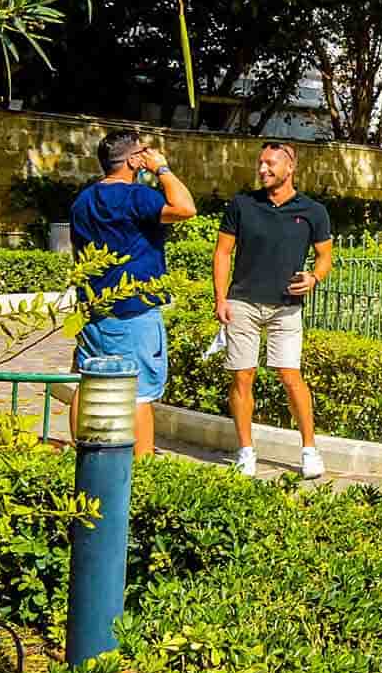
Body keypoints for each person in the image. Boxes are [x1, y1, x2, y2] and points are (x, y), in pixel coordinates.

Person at [70, 129, 199, 458]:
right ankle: (142, 468)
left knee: (89, 381)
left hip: (94, 308)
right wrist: (162, 169)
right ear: (132, 160)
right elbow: (185, 208)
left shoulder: (83, 201)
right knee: (139, 392)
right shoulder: (137, 197)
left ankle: (81, 454)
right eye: (143, 152)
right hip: (135, 310)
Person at [214, 142, 333, 478]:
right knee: (242, 376)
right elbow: (222, 253)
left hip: (287, 308)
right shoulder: (242, 204)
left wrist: (313, 277)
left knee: (290, 376)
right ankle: (246, 452)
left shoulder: (313, 211)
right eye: (260, 163)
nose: (262, 169)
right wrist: (221, 299)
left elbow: (325, 257)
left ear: (290, 167)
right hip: (242, 303)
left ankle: (310, 450)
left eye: (270, 164)